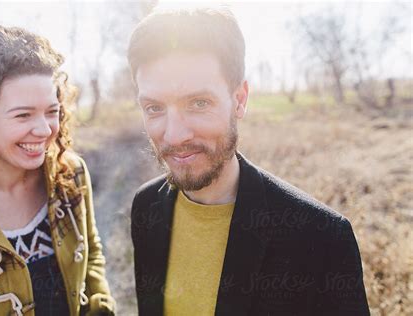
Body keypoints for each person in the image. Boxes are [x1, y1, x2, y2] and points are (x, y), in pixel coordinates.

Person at [127, 7, 370, 316]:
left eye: (198, 103)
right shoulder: (146, 207)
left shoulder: (320, 238)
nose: (174, 136)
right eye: (154, 108)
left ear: (239, 99)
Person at [0, 25, 115, 315]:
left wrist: (102, 307)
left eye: (51, 111)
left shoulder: (70, 173)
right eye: (23, 115)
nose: (44, 130)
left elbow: (92, 255)